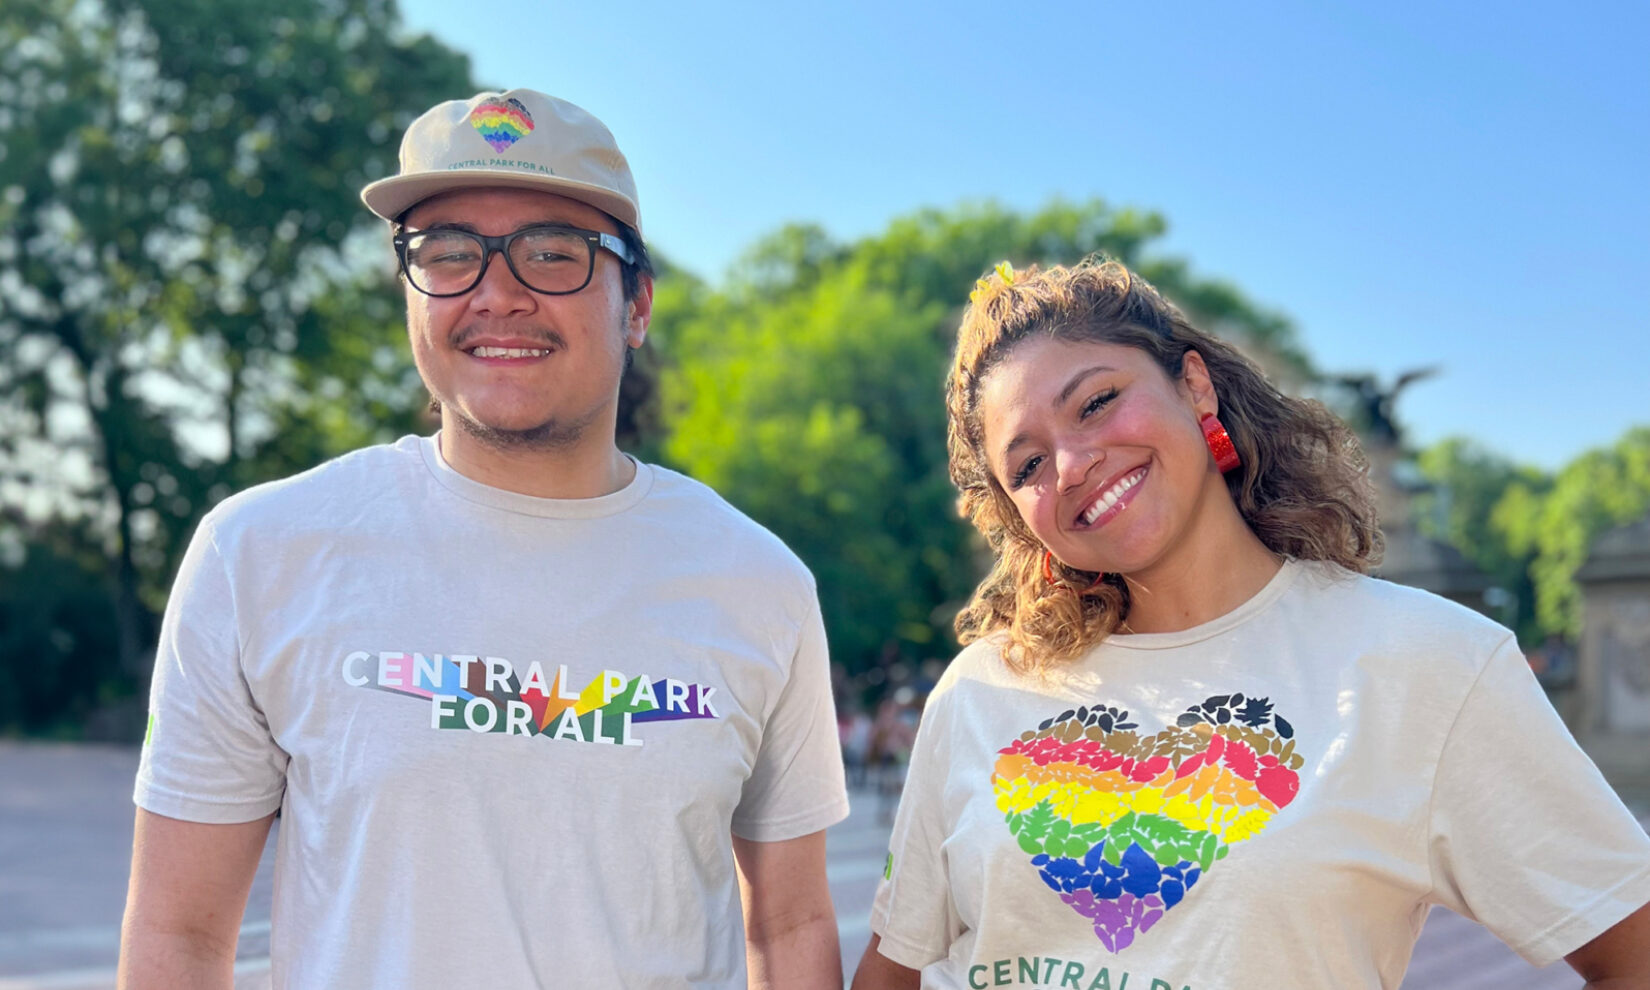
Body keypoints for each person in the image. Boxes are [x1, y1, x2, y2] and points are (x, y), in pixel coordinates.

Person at [120, 89, 849, 989]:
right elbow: (180, 938)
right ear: (408, 293)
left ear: (638, 305)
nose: (497, 294)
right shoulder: (260, 553)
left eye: (554, 255)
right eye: (449, 255)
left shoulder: (758, 583)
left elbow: (791, 923)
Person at [853, 259, 1650, 989]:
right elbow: (894, 970)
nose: (1071, 465)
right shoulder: (980, 690)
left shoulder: (1427, 664)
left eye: (1097, 402)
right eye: (1026, 465)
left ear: (1195, 386)